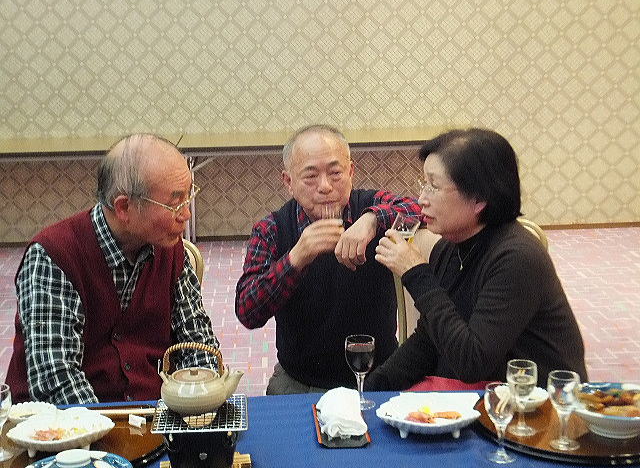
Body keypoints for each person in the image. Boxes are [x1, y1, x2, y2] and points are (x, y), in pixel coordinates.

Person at [5, 134, 220, 404]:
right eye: (175, 202)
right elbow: (56, 379)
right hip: (70, 422)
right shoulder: (54, 256)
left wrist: (200, 399)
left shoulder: (169, 248)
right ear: (124, 207)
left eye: (189, 196)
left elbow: (198, 341)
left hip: (153, 413)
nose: (186, 213)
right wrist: (110, 428)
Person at [367, 128, 587, 391]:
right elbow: (429, 339)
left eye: (434, 186)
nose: (422, 199)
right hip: (489, 395)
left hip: (540, 404)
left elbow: (472, 362)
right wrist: (370, 389)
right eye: (423, 184)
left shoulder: (517, 258)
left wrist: (416, 273)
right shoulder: (448, 248)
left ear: (479, 199)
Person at [235, 124, 421, 394]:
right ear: (288, 182)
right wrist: (296, 258)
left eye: (335, 173)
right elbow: (247, 311)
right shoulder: (272, 229)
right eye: (311, 176)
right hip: (301, 381)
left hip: (378, 376)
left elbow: (420, 211)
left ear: (351, 171)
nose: (325, 187)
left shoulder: (370, 206)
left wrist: (372, 219)